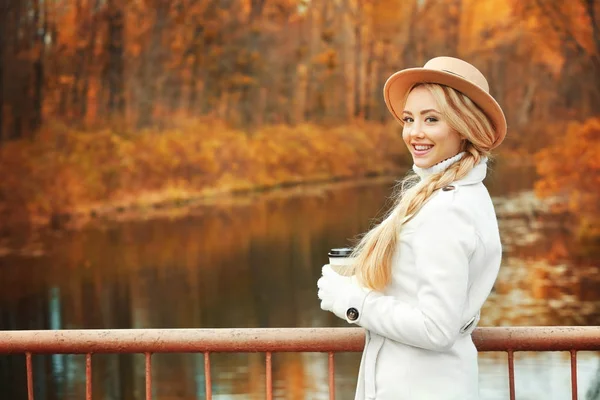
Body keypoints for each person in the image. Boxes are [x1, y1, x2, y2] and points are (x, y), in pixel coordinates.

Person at [316, 56, 507, 400]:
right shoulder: (457, 194)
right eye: (409, 119)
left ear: (464, 127)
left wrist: (353, 301)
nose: (414, 132)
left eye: (431, 119)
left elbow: (436, 328)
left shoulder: (447, 209)